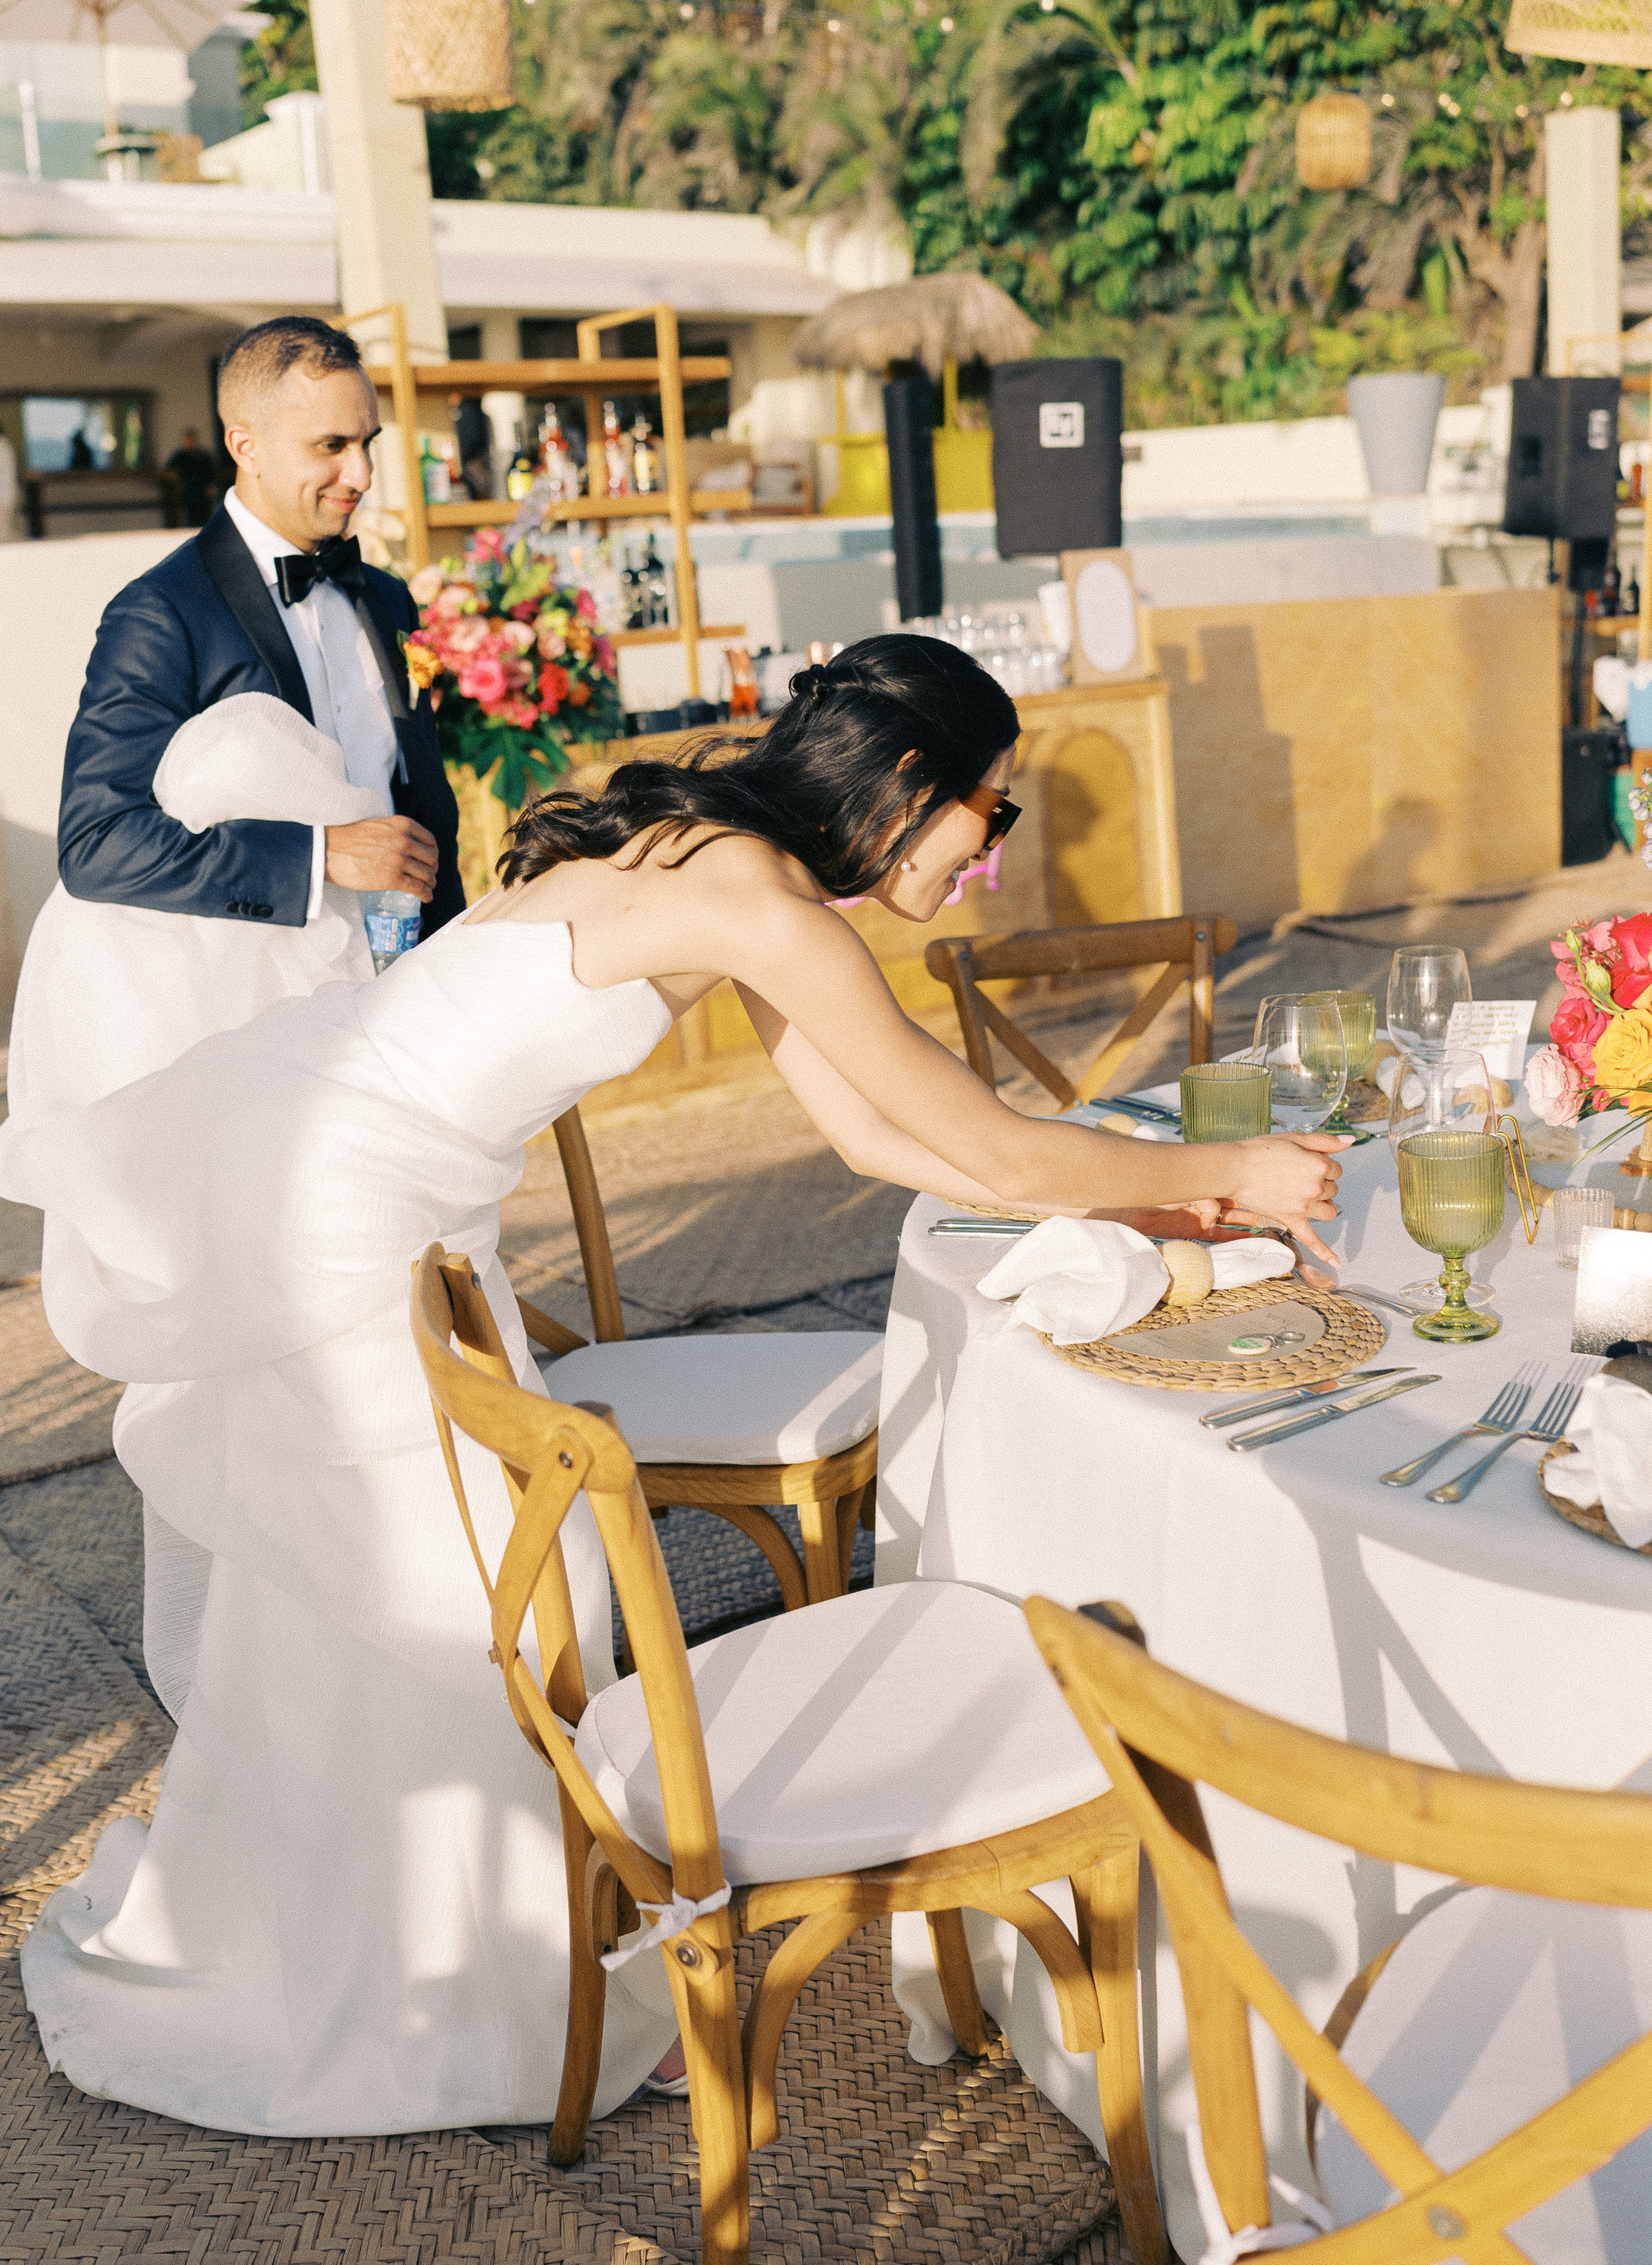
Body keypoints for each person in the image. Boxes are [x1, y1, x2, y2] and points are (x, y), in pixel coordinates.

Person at [0, 634, 1344, 2140]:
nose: (990, 855)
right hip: (343, 1213)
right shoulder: (758, 899)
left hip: (356, 1178)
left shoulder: (726, 857)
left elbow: (880, 1140)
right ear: (909, 785)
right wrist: (1225, 1165)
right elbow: (981, 1137)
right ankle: (428, 1994)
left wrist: (1156, 1207)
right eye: (994, 809)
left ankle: (453, 1951)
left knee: (421, 1600)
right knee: (454, 1601)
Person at [8, 316, 463, 1125]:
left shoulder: (388, 598)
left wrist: (456, 966)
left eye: (368, 443)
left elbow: (418, 801)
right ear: (244, 444)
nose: (360, 473)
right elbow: (97, 844)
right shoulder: (161, 614)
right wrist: (321, 855)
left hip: (401, 1013)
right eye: (330, 446)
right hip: (241, 1041)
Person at [163, 425, 218, 527]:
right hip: (188, 491)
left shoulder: (203, 455)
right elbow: (169, 471)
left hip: (203, 492)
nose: (189, 442)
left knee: (205, 516)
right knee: (190, 517)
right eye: (187, 440)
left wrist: (212, 486)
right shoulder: (179, 456)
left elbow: (211, 472)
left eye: (191, 439)